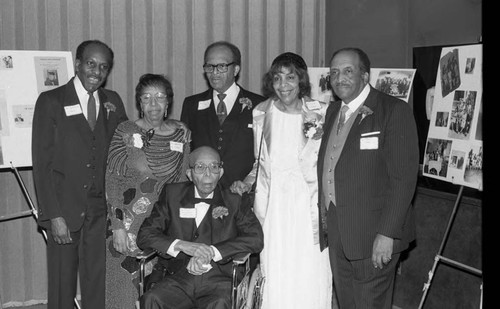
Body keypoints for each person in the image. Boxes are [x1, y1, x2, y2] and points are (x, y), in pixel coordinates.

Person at [317, 47, 419, 308]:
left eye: (348, 71)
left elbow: (403, 180)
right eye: (335, 73)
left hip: (375, 234)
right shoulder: (332, 112)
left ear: (365, 75)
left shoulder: (392, 111)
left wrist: (387, 234)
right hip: (339, 231)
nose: (340, 78)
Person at [231, 52, 333, 309]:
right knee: (275, 268)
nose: (283, 84)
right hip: (274, 206)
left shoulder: (321, 112)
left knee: (311, 269)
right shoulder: (261, 113)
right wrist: (246, 182)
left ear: (301, 81)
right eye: (278, 78)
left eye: (290, 77)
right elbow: (259, 163)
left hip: (309, 206)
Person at [31, 39, 128, 309]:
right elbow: (42, 164)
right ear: (77, 64)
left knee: (96, 282)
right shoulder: (51, 101)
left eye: (103, 67)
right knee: (62, 287)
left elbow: (123, 149)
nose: (96, 72)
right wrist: (53, 215)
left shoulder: (113, 101)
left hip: (100, 211)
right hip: (64, 209)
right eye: (90, 64)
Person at [137, 146, 264, 309]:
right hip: (179, 278)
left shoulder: (234, 201)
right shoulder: (172, 194)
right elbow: (145, 234)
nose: (208, 173)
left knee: (219, 304)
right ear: (189, 174)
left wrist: (212, 251)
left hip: (220, 280)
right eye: (200, 167)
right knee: (152, 298)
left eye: (214, 167)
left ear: (221, 172)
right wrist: (183, 245)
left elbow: (255, 238)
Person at [105, 73, 191, 309]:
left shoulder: (181, 135)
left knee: (158, 294)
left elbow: (183, 185)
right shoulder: (125, 131)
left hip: (163, 228)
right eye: (146, 98)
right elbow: (112, 181)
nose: (153, 104)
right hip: (127, 227)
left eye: (160, 97)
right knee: (122, 295)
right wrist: (117, 227)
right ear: (139, 103)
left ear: (168, 102)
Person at [180, 41, 266, 189]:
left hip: (243, 194)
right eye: (209, 67)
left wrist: (248, 183)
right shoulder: (192, 104)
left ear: (236, 69)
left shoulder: (260, 105)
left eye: (221, 66)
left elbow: (265, 156)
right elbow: (186, 153)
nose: (214, 72)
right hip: (203, 193)